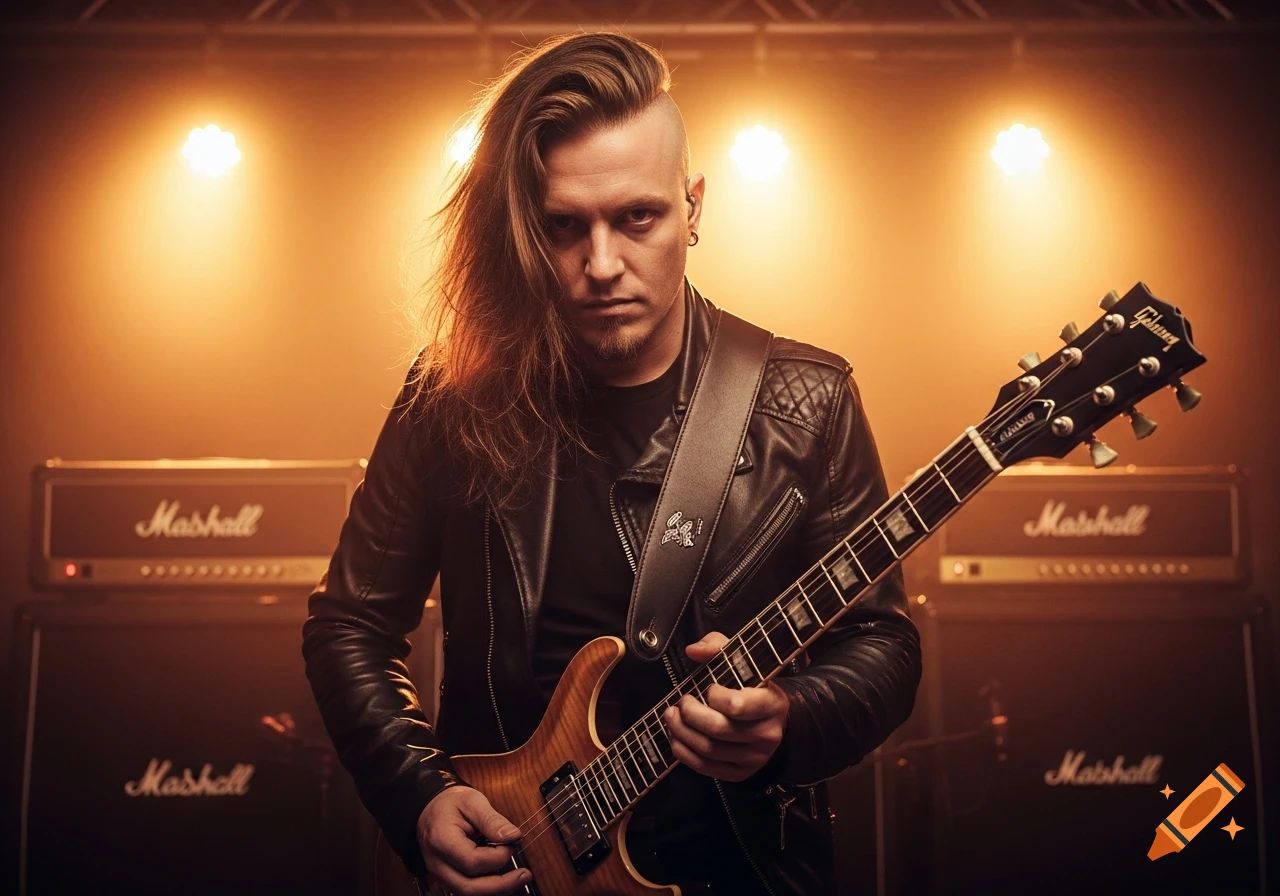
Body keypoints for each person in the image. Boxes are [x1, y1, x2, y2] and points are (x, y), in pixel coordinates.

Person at [303, 31, 921, 896]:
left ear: (693, 207)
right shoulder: (454, 398)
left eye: (637, 217)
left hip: (739, 871)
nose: (601, 265)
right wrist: (419, 797)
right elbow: (350, 626)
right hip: (513, 865)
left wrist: (790, 718)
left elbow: (882, 643)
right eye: (563, 227)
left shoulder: (807, 400)